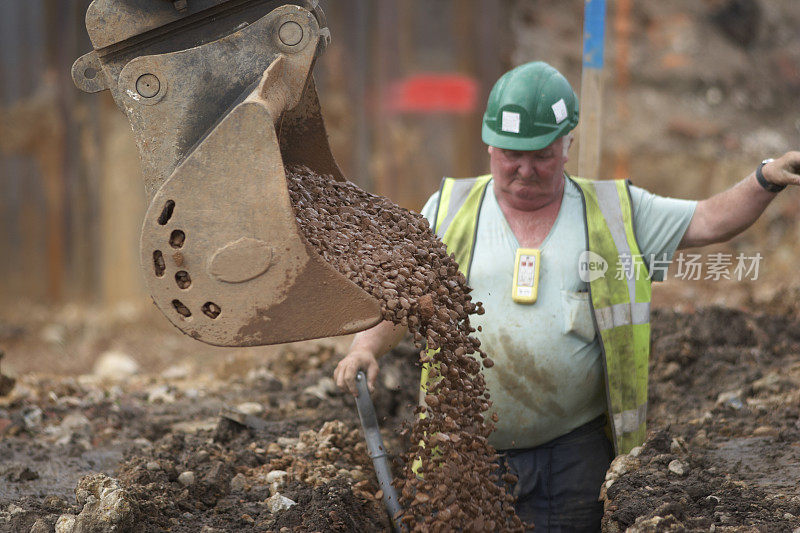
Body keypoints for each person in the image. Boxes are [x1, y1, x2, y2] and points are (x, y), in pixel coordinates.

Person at [333, 61, 800, 531]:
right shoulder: (449, 209)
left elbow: (709, 220)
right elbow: (408, 296)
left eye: (542, 155)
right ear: (489, 145)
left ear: (567, 145)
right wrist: (365, 347)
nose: (525, 169)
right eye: (511, 154)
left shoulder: (616, 211)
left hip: (573, 456)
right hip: (464, 451)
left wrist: (766, 178)